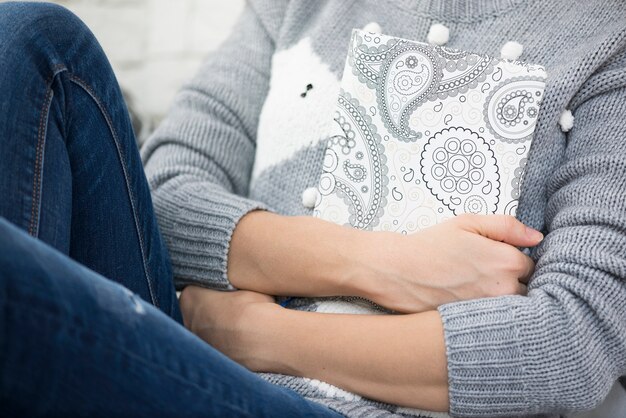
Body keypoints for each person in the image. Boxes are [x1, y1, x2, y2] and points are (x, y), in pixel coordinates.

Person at [0, 1, 624, 417]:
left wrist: (255, 335)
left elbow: (574, 339)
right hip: (184, 352)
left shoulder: (607, 40)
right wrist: (384, 263)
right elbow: (160, 198)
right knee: (29, 39)